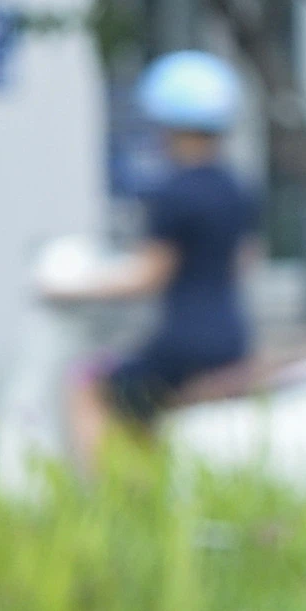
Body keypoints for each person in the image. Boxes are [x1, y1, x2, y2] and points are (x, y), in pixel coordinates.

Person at [50, 51, 261, 470]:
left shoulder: (174, 192)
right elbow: (244, 262)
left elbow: (150, 275)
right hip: (233, 337)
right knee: (149, 410)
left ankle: (101, 494)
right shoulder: (238, 189)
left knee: (88, 383)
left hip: (182, 342)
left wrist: (72, 286)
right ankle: (151, 487)